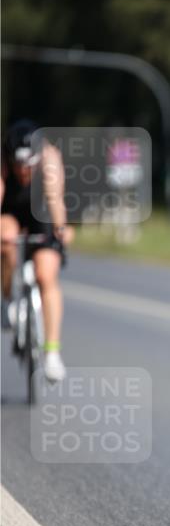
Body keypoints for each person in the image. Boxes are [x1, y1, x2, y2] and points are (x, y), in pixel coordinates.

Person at [1, 119, 69, 381]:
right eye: (18, 166)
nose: (23, 172)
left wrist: (60, 231)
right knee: (6, 238)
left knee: (46, 275)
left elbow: (54, 198)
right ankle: (7, 299)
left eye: (28, 166)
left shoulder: (49, 156)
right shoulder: (4, 160)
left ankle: (51, 353)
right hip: (11, 211)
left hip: (40, 210)